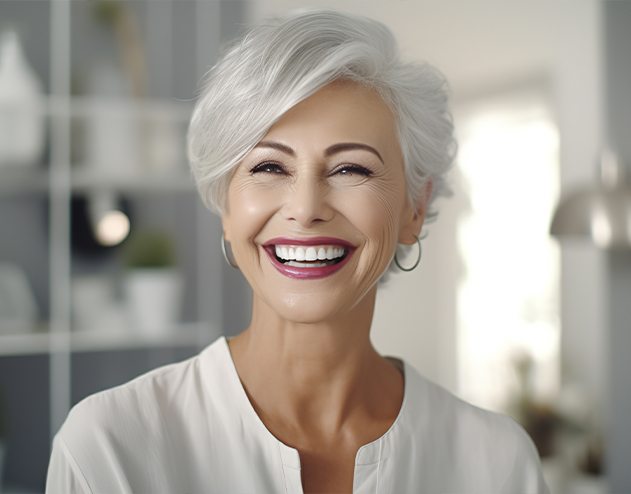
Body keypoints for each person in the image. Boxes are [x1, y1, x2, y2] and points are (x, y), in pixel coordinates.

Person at [46, 9, 549, 494]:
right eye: (269, 168)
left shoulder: (498, 464)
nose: (306, 209)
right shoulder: (109, 448)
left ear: (414, 209)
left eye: (352, 169)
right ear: (226, 204)